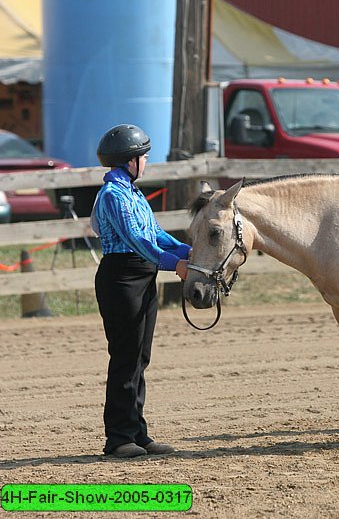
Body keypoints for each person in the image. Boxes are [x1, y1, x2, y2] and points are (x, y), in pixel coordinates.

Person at [91, 124, 192, 458]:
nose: (146, 161)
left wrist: (187, 251)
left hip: (140, 275)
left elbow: (156, 232)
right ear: (130, 161)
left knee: (139, 357)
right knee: (126, 356)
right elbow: (137, 240)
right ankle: (118, 438)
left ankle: (137, 433)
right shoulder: (113, 196)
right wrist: (172, 264)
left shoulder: (133, 193)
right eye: (144, 156)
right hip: (123, 278)